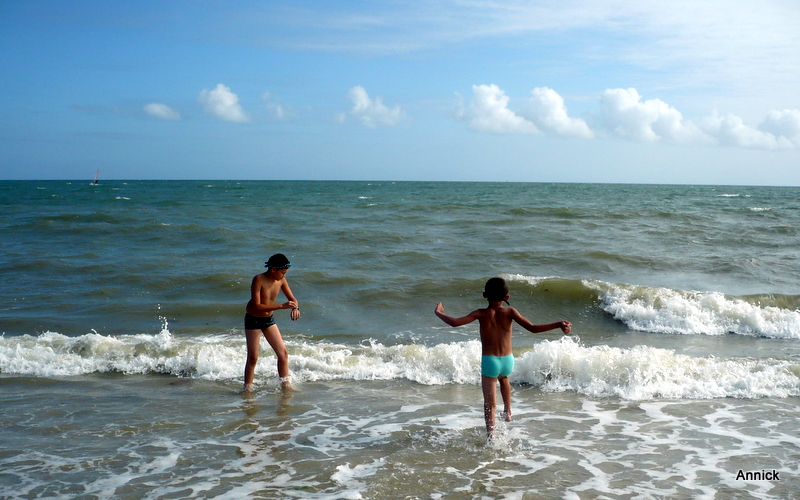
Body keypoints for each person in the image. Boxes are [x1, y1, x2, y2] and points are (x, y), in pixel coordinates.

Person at [434, 277, 571, 437]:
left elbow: (454, 322)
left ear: (484, 295)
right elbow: (533, 328)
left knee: (490, 405)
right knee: (504, 378)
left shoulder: (480, 313)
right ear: (507, 297)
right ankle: (508, 410)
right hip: (507, 360)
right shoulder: (510, 312)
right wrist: (558, 324)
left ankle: (491, 437)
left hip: (490, 362)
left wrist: (438, 312)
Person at [244, 253, 300, 392]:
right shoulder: (259, 279)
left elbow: (293, 299)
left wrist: (295, 308)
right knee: (253, 357)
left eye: (285, 273)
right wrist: (281, 306)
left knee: (283, 354)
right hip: (253, 319)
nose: (284, 276)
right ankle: (248, 389)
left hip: (268, 320)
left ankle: (285, 386)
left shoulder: (281, 280)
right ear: (273, 269)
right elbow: (257, 306)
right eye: (282, 273)